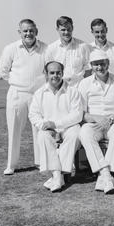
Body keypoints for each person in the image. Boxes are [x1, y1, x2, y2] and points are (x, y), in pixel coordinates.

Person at [0, 18, 48, 175]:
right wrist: (18, 83)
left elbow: (50, 69)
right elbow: (3, 71)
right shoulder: (11, 48)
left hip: (38, 95)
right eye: (25, 31)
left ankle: (41, 162)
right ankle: (11, 165)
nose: (28, 33)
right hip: (17, 94)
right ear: (19, 32)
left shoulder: (46, 48)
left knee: (40, 129)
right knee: (14, 130)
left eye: (31, 30)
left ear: (36, 31)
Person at [77, 50, 114, 194]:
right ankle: (106, 173)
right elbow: (81, 112)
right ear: (91, 66)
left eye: (102, 64)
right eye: (96, 64)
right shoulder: (84, 83)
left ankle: (103, 176)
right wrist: (95, 118)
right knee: (84, 133)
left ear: (108, 64)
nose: (100, 67)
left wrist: (110, 120)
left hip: (113, 122)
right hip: (94, 123)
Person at [29, 61, 83, 192]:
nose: (55, 75)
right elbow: (33, 115)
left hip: (68, 127)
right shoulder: (39, 93)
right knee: (42, 135)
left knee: (75, 134)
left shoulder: (73, 91)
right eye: (52, 72)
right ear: (46, 74)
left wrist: (57, 125)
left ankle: (58, 175)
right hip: (49, 129)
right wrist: (46, 126)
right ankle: (58, 175)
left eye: (58, 72)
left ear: (62, 73)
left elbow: (77, 115)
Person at [45, 16, 90, 86]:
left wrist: (85, 87)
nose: (66, 32)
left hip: (79, 88)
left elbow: (88, 70)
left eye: (69, 29)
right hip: (59, 88)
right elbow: (48, 73)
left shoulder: (83, 46)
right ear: (57, 29)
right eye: (63, 30)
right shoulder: (51, 49)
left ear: (72, 28)